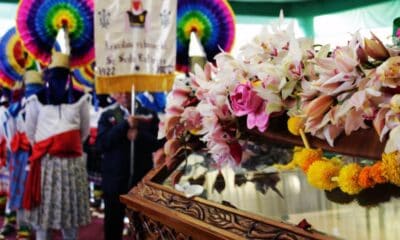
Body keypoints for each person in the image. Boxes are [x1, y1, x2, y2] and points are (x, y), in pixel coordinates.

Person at [23, 52, 91, 240]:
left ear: (68, 76)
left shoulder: (80, 99)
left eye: (62, 76)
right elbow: (30, 132)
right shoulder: (36, 100)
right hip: (46, 165)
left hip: (72, 166)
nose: (58, 81)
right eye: (55, 76)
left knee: (70, 218)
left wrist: (66, 144)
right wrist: (51, 146)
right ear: (48, 77)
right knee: (42, 217)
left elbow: (84, 132)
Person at [97, 91, 163, 240]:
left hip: (140, 181)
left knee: (142, 227)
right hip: (114, 181)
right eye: (121, 91)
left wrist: (139, 135)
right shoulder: (107, 115)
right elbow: (102, 144)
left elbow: (156, 144)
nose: (125, 95)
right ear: (115, 94)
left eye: (129, 91)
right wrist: (124, 126)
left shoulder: (149, 115)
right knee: (113, 225)